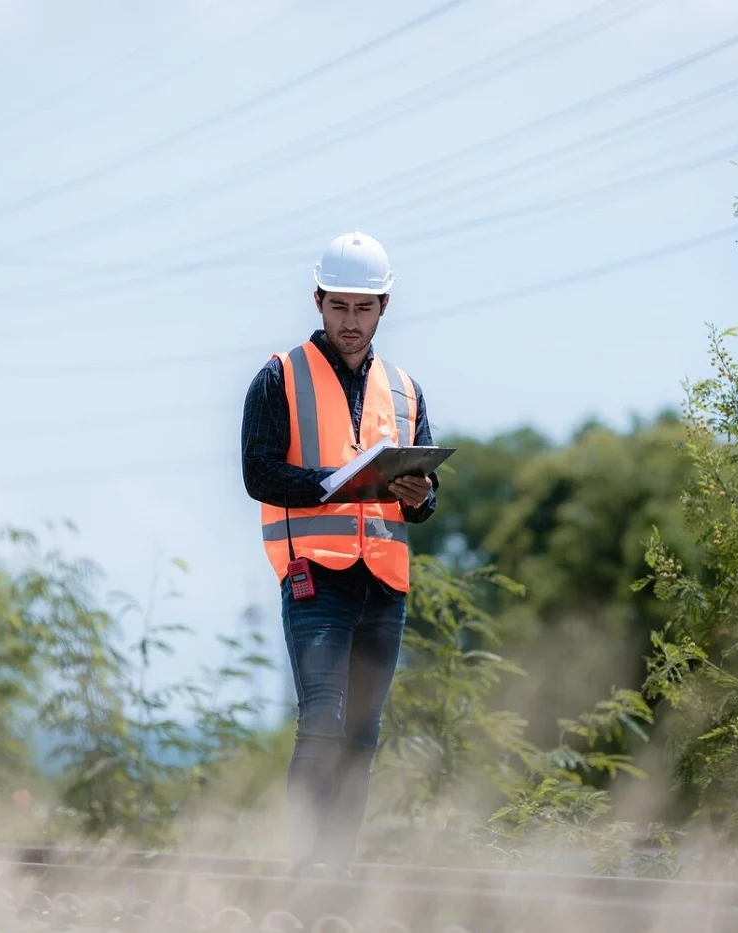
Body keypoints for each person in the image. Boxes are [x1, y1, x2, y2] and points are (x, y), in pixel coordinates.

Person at [240, 231, 440, 875]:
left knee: (362, 735)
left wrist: (421, 495)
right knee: (322, 722)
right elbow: (258, 473)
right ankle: (307, 867)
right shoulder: (279, 377)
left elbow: (423, 501)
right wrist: (334, 481)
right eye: (339, 307)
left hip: (384, 583)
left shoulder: (406, 390)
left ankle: (337, 872)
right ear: (318, 301)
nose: (351, 322)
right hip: (314, 579)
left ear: (384, 307)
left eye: (364, 308)